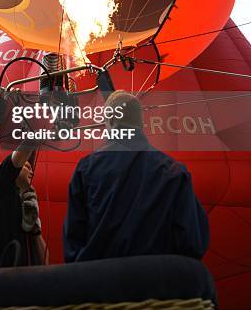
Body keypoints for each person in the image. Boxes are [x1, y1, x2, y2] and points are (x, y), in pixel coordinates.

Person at [64, 91, 209, 263]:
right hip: (158, 283)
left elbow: (73, 245)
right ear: (141, 123)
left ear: (109, 121)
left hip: (101, 283)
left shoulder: (85, 169)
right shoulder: (175, 172)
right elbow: (193, 242)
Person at [0, 146, 47, 268]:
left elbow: (44, 262)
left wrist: (34, 227)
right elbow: (17, 158)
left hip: (24, 281)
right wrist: (35, 134)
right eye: (27, 167)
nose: (31, 172)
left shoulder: (28, 205)